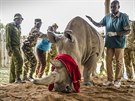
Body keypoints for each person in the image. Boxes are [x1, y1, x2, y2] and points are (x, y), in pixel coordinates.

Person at [86, 0, 130, 88]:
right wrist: (92, 21)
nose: (112, 9)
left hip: (119, 43)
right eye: (111, 7)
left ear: (119, 7)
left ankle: (117, 80)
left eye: (114, 7)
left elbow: (127, 31)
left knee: (119, 62)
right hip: (109, 43)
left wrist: (115, 33)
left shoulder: (123, 17)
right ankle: (110, 80)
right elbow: (99, 24)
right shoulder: (107, 17)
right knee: (108, 61)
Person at [5, 13, 24, 83]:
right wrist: (9, 49)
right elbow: (8, 38)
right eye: (18, 19)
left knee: (13, 64)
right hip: (13, 47)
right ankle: (18, 78)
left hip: (18, 47)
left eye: (21, 19)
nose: (20, 21)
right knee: (20, 61)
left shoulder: (19, 27)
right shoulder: (9, 26)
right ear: (15, 19)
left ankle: (12, 80)